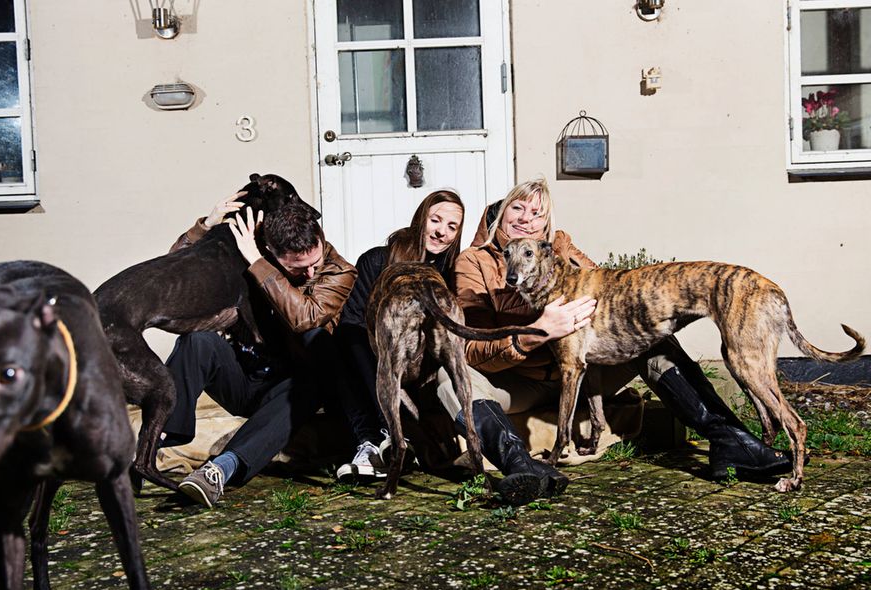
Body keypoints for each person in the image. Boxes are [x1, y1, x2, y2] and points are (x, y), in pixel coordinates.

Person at [437, 177, 794, 504]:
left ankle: (730, 440)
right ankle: (521, 466)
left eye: (537, 213)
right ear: (501, 211)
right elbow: (474, 348)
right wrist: (536, 332)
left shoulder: (561, 248)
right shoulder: (474, 262)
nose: (526, 219)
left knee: (651, 337)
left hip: (584, 370)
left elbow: (616, 292)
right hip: (521, 381)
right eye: (518, 208)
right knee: (450, 376)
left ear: (547, 223)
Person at [163, 192, 357, 507]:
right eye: (298, 268)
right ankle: (166, 434)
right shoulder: (251, 250)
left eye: (314, 263)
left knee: (311, 384)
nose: (310, 273)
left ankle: (219, 471)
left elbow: (306, 318)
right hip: (243, 372)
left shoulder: (339, 272)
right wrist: (204, 228)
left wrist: (257, 263)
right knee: (197, 339)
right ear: (272, 252)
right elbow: (176, 276)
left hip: (288, 387)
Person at [333, 190, 465, 482]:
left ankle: (383, 439)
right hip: (374, 358)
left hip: (421, 366)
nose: (441, 232)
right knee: (344, 338)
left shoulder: (452, 274)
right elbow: (353, 321)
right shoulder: (377, 260)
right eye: (435, 220)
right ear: (421, 218)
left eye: (452, 227)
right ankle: (375, 441)